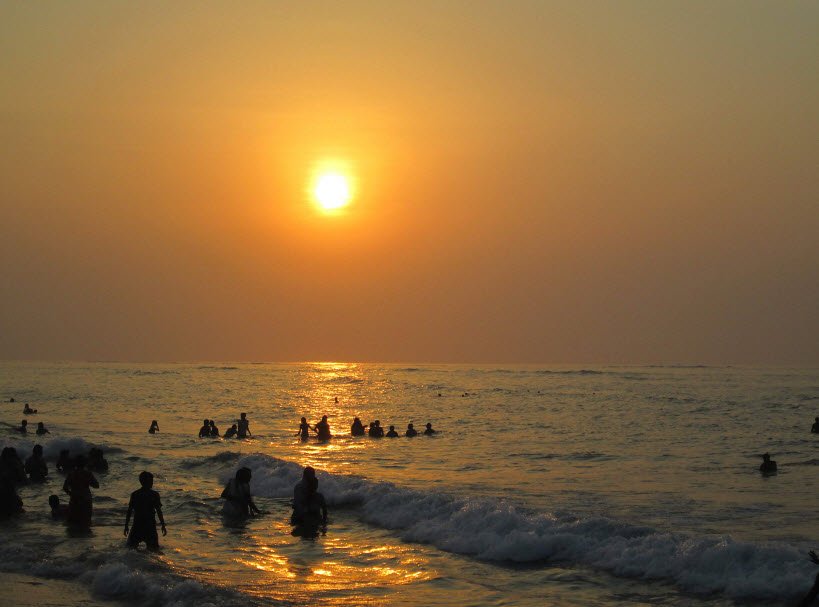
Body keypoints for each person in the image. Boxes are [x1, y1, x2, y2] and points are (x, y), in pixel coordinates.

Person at [124, 471, 167, 551]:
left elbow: (129, 511)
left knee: (130, 549)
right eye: (151, 481)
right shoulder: (154, 495)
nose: (152, 483)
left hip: (137, 525)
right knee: (154, 550)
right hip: (149, 526)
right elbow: (159, 511)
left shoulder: (135, 494)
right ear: (148, 482)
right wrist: (163, 525)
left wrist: (126, 526)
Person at [63, 455, 99, 528]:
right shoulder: (88, 474)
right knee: (86, 523)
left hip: (74, 499)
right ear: (85, 463)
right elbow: (96, 485)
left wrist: (71, 494)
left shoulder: (71, 474)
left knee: (72, 524)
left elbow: (65, 488)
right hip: (86, 499)